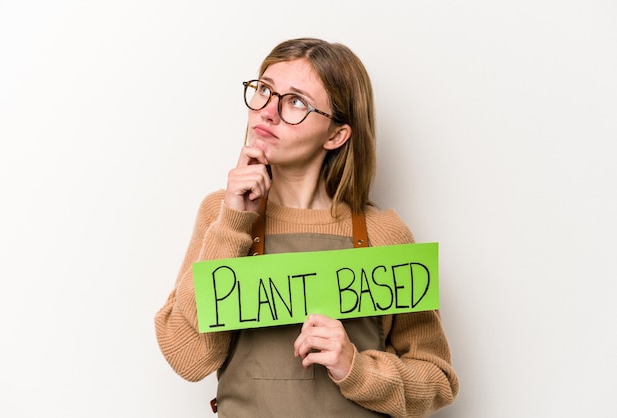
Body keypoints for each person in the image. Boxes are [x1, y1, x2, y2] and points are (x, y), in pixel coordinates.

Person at [155, 37, 459, 418]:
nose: (268, 111)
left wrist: (356, 367)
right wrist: (234, 222)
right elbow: (188, 358)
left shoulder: (385, 234)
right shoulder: (221, 214)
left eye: (295, 101)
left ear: (336, 134)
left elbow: (437, 380)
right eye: (264, 91)